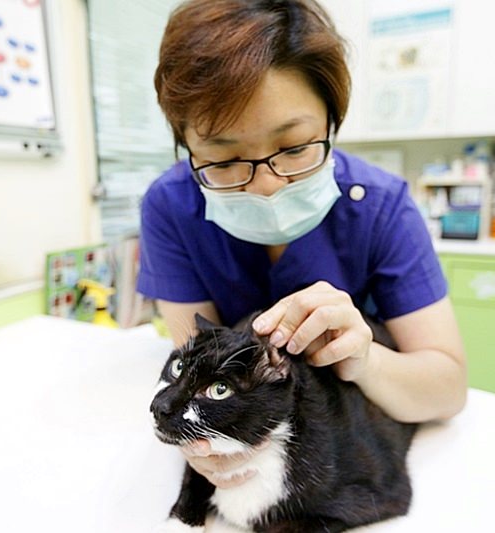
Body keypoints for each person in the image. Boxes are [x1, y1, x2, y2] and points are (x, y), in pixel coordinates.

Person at [137, 0, 467, 490]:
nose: (267, 186)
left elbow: (446, 390)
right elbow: (193, 375)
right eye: (224, 160)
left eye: (293, 148)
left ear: (331, 122)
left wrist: (366, 360)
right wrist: (203, 445)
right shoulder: (171, 207)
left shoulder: (380, 207)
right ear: (187, 147)